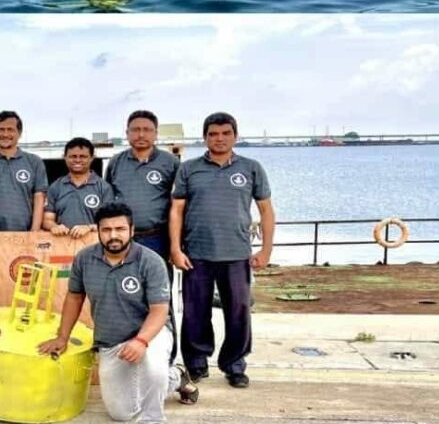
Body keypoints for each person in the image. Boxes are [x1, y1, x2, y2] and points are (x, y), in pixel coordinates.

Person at [38, 203, 198, 424]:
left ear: (132, 230)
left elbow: (159, 310)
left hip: (150, 333)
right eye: (107, 230)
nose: (114, 235)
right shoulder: (84, 259)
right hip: (110, 341)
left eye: (120, 229)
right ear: (98, 232)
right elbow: (74, 297)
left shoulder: (150, 261)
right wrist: (62, 336)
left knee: (153, 368)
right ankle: (176, 377)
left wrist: (142, 341)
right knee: (120, 413)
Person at [169, 112, 275, 389]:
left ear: (235, 136)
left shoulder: (251, 168)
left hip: (237, 254)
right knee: (195, 312)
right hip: (197, 254)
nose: (219, 138)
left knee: (239, 311)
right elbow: (177, 210)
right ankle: (196, 363)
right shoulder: (189, 169)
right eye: (213, 134)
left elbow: (266, 210)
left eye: (225, 133)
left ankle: (235, 365)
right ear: (205, 137)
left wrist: (266, 249)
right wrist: (175, 249)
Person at [104, 110, 179, 261]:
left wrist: (176, 244)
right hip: (122, 238)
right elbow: (107, 201)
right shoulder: (116, 162)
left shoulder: (171, 163)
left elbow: (179, 204)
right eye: (136, 130)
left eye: (147, 130)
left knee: (157, 281)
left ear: (156, 133)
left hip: (158, 237)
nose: (141, 135)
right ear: (127, 133)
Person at [0, 110, 48, 232]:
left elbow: (39, 199)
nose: (5, 134)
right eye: (1, 129)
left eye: (10, 130)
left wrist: (34, 232)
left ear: (19, 133)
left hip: (24, 234)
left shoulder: (34, 162)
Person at [42, 137, 114, 237]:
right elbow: (47, 219)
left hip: (94, 245)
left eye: (83, 156)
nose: (77, 160)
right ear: (65, 157)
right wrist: (54, 227)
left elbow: (110, 222)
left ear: (92, 158)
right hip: (62, 245)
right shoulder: (55, 187)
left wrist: (89, 227)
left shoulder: (104, 188)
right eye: (73, 156)